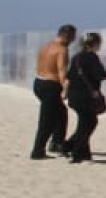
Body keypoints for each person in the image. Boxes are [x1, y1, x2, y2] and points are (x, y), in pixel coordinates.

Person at [63, 32, 106, 164]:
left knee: (85, 123)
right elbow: (100, 74)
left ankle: (82, 153)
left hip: (74, 95)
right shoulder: (91, 57)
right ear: (94, 44)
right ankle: (74, 151)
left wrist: (65, 92)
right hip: (85, 97)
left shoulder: (76, 57)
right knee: (89, 124)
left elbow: (69, 77)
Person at [30, 24, 76, 160]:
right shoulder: (62, 49)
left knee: (61, 113)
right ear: (68, 36)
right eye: (72, 38)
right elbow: (61, 71)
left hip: (38, 82)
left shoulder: (46, 46)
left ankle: (56, 143)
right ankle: (37, 151)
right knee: (47, 120)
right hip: (51, 85)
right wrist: (65, 89)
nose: (73, 41)